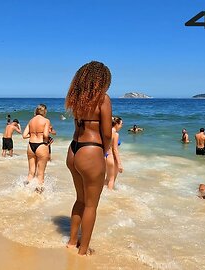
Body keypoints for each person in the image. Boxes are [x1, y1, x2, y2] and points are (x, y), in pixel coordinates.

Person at [65, 61, 112, 256]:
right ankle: (83, 250)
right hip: (91, 150)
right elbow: (107, 133)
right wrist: (105, 151)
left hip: (74, 149)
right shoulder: (102, 99)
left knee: (80, 200)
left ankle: (72, 241)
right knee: (91, 204)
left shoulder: (77, 99)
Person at [22, 104, 50, 193]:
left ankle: (25, 191)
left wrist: (33, 134)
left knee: (31, 173)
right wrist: (46, 141)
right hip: (41, 145)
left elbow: (24, 135)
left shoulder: (31, 121)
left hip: (31, 146)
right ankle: (38, 197)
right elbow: (45, 135)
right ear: (44, 111)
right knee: (40, 174)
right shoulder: (46, 120)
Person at [105, 116, 123, 190]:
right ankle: (109, 197)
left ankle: (103, 194)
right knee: (111, 179)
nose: (122, 126)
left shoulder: (106, 132)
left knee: (107, 179)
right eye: (121, 124)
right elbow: (115, 149)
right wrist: (119, 164)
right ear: (116, 124)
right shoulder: (115, 134)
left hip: (104, 156)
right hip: (110, 156)